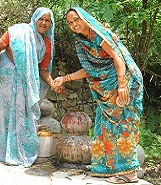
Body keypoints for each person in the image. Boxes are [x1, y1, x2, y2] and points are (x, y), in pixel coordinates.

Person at [54, 7, 143, 184]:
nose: (74, 25)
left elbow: (118, 58)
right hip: (108, 88)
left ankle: (130, 173)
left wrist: (122, 84)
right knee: (105, 126)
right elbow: (90, 69)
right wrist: (64, 78)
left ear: (85, 18)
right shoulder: (81, 41)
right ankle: (108, 168)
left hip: (126, 81)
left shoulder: (98, 35)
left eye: (76, 20)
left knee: (124, 126)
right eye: (70, 22)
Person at [0, 7, 64, 168]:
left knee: (21, 115)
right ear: (35, 18)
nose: (44, 22)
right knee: (1, 114)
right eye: (41, 18)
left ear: (50, 24)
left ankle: (16, 151)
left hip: (24, 83)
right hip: (4, 78)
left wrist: (53, 84)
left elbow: (43, 70)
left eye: (47, 20)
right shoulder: (19, 31)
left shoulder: (46, 43)